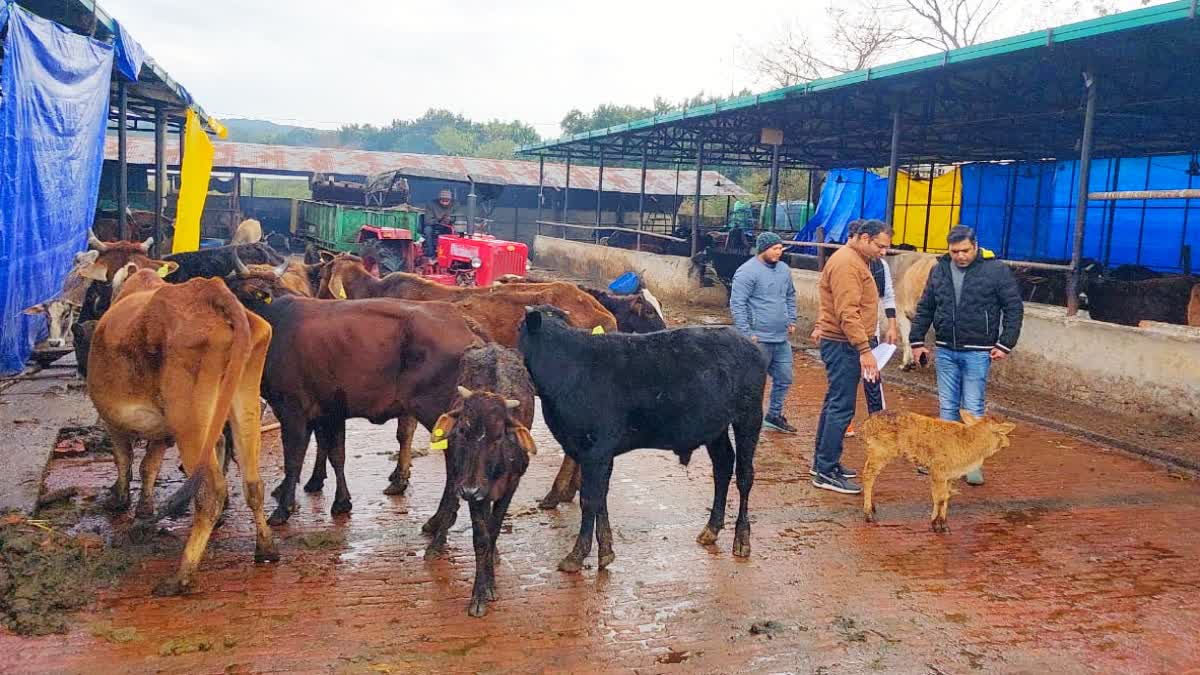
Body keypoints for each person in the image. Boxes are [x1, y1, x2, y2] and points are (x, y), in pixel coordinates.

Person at [909, 225, 1024, 486]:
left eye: (965, 250)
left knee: (972, 408)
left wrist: (1006, 343)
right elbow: (926, 306)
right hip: (946, 347)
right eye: (954, 251)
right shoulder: (940, 269)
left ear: (976, 246)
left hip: (978, 350)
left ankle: (972, 463)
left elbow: (1013, 307)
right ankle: (943, 459)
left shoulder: (996, 270)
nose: (960, 256)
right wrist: (917, 341)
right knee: (947, 407)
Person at [811, 220, 892, 494]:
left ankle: (823, 463)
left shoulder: (858, 260)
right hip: (844, 344)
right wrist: (864, 349)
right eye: (880, 246)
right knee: (841, 407)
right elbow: (848, 312)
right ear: (864, 238)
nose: (883, 252)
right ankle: (825, 470)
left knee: (834, 402)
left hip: (843, 342)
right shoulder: (848, 264)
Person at [730, 231, 798, 434]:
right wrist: (746, 331)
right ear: (763, 249)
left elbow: (790, 295)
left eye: (780, 249)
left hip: (781, 338)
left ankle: (774, 415)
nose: (779, 252)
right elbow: (737, 304)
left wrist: (791, 319)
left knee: (784, 378)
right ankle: (744, 418)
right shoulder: (747, 272)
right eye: (775, 249)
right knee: (752, 383)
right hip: (758, 338)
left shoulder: (784, 270)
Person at [423, 188, 457, 258]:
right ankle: (431, 254)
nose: (444, 202)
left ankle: (451, 255)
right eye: (443, 200)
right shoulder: (431, 204)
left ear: (450, 200)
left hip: (448, 226)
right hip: (434, 226)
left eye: (447, 200)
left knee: (457, 231)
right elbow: (427, 221)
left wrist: (450, 220)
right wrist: (439, 221)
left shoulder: (455, 205)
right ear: (439, 199)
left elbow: (457, 217)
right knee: (427, 230)